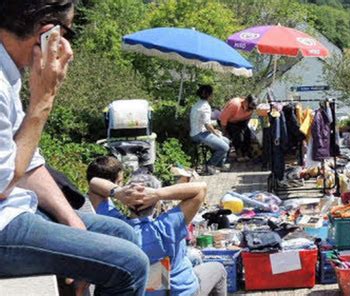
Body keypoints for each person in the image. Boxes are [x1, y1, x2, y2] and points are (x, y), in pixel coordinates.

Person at [0, 1, 150, 295]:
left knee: (123, 233)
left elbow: (29, 162)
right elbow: (4, 181)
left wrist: (72, 220)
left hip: (14, 211)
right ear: (48, 34)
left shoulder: (9, 72)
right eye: (69, 33)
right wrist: (43, 100)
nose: (70, 46)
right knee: (130, 265)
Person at [86, 156, 228, 296]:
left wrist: (118, 193)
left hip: (143, 289)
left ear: (127, 203)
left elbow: (93, 184)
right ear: (156, 203)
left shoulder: (114, 225)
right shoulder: (167, 226)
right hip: (180, 291)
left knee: (188, 259)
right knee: (218, 269)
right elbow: (200, 188)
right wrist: (158, 194)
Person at [190, 85, 231, 174]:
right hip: (199, 134)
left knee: (226, 140)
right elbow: (207, 124)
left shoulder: (197, 104)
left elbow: (204, 122)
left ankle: (220, 165)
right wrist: (215, 132)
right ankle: (209, 166)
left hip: (198, 132)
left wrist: (214, 131)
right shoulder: (205, 106)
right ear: (209, 95)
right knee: (225, 147)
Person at [219, 95, 256, 161]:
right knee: (237, 134)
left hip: (241, 120)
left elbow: (248, 118)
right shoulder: (235, 105)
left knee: (247, 134)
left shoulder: (251, 107)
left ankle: (245, 153)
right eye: (250, 106)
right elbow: (223, 119)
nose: (251, 109)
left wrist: (245, 128)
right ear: (246, 102)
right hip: (228, 122)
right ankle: (239, 154)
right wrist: (224, 132)